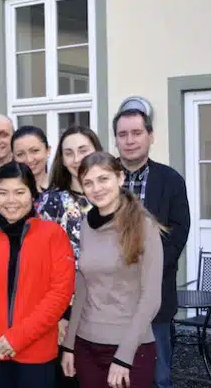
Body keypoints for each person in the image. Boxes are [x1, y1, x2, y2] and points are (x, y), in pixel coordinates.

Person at [0, 162, 75, 388]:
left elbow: (59, 295)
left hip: (36, 354)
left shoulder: (53, 235)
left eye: (19, 192)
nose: (11, 200)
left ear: (33, 195)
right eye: (3, 193)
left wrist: (15, 339)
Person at [61, 151, 164, 388]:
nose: (96, 188)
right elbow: (83, 286)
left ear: (120, 178)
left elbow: (151, 299)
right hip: (86, 345)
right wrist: (69, 345)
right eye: (88, 182)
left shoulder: (144, 226)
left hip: (130, 348)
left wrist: (124, 357)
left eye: (103, 179)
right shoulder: (87, 224)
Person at [113, 97, 190, 388]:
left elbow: (179, 231)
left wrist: (150, 270)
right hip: (110, 300)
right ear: (116, 140)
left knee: (158, 377)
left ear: (150, 136)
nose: (130, 140)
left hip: (155, 297)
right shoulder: (103, 178)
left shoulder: (171, 180)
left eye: (136, 133)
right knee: (113, 376)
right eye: (123, 134)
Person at [37, 126, 102, 388]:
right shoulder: (51, 202)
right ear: (61, 159)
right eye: (69, 153)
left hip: (108, 307)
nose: (77, 159)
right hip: (66, 308)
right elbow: (42, 264)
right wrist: (59, 315)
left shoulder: (112, 198)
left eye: (83, 150)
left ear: (96, 150)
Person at [12, 125, 51, 193]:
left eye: (35, 151)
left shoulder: (63, 188)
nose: (29, 160)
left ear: (48, 151)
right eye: (20, 154)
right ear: (13, 157)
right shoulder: (7, 191)